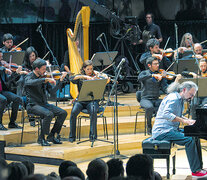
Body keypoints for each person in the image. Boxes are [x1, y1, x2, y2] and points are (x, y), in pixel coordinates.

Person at [152, 81, 207, 178]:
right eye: (191, 94)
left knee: (194, 135)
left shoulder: (179, 99)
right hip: (163, 131)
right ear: (184, 90)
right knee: (189, 140)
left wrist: (189, 120)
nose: (192, 97)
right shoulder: (173, 99)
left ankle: (199, 167)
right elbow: (166, 114)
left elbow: (178, 115)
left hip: (171, 129)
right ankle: (195, 171)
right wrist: (185, 121)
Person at [24, 59, 68, 146]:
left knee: (63, 113)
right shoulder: (29, 76)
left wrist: (60, 80)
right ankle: (41, 138)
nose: (45, 71)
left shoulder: (44, 77)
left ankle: (52, 135)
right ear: (37, 69)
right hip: (33, 105)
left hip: (44, 104)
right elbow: (29, 82)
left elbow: (52, 92)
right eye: (43, 69)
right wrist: (45, 80)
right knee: (48, 114)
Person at [138, 56, 181, 134]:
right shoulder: (144, 73)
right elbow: (140, 78)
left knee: (170, 106)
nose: (157, 65)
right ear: (149, 65)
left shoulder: (161, 75)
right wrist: (152, 75)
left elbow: (166, 89)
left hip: (156, 99)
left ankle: (168, 127)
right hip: (145, 99)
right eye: (155, 64)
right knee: (149, 107)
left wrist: (176, 82)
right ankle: (149, 127)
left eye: (158, 64)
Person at [69, 60, 109, 142]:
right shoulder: (80, 77)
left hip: (92, 101)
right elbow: (71, 78)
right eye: (88, 69)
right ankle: (72, 136)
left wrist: (103, 79)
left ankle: (92, 136)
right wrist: (85, 77)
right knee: (73, 112)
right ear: (84, 69)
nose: (90, 71)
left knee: (93, 111)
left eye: (91, 69)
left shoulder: (95, 76)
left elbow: (106, 80)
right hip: (81, 101)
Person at [0, 52, 23, 130]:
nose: (1, 59)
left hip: (1, 91)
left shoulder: (2, 68)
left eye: (1, 57)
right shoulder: (2, 68)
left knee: (17, 98)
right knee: (3, 99)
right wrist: (3, 68)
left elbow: (8, 80)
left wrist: (16, 73)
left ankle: (12, 123)